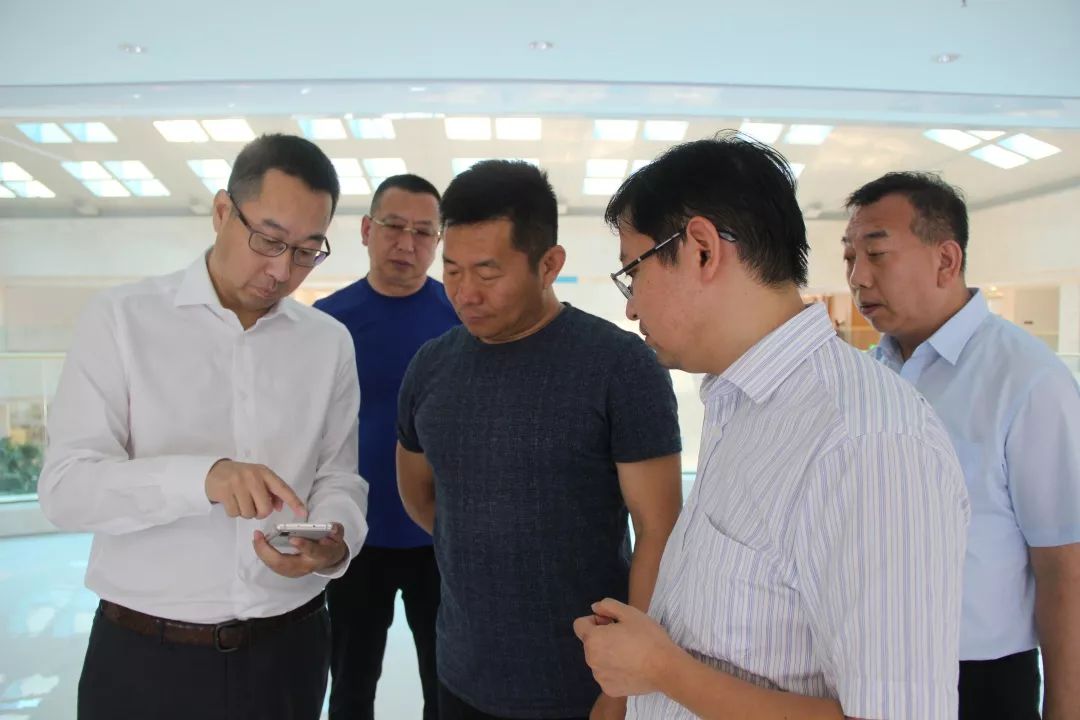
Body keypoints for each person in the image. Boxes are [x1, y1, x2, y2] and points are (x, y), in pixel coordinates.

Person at [573, 134, 970, 720]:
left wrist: (662, 671)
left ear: (702, 250)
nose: (631, 307)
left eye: (634, 272)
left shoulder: (868, 443)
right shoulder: (739, 401)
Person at [38, 133, 368, 720]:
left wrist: (334, 539)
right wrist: (203, 480)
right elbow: (67, 489)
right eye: (269, 240)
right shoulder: (121, 320)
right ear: (222, 211)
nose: (281, 269)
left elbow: (339, 476)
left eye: (305, 251)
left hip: (289, 650)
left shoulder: (328, 343)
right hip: (146, 655)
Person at [396, 160, 683, 720]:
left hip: (584, 685)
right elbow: (421, 497)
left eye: (487, 273)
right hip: (461, 675)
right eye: (451, 271)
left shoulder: (619, 366)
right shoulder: (431, 366)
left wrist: (622, 689)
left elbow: (660, 531)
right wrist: (488, 543)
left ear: (549, 264)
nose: (465, 293)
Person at [843, 171, 1080, 720]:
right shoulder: (868, 375)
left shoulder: (1026, 380)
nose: (857, 277)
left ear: (946, 261)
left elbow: (1065, 566)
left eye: (876, 254)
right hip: (866, 672)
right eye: (849, 257)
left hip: (978, 682)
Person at [315, 174, 459, 720]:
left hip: (441, 534)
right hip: (352, 535)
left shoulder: (460, 319)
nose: (406, 243)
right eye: (394, 226)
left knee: (446, 684)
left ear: (438, 241)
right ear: (366, 230)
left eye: (423, 232)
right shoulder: (326, 322)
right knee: (351, 683)